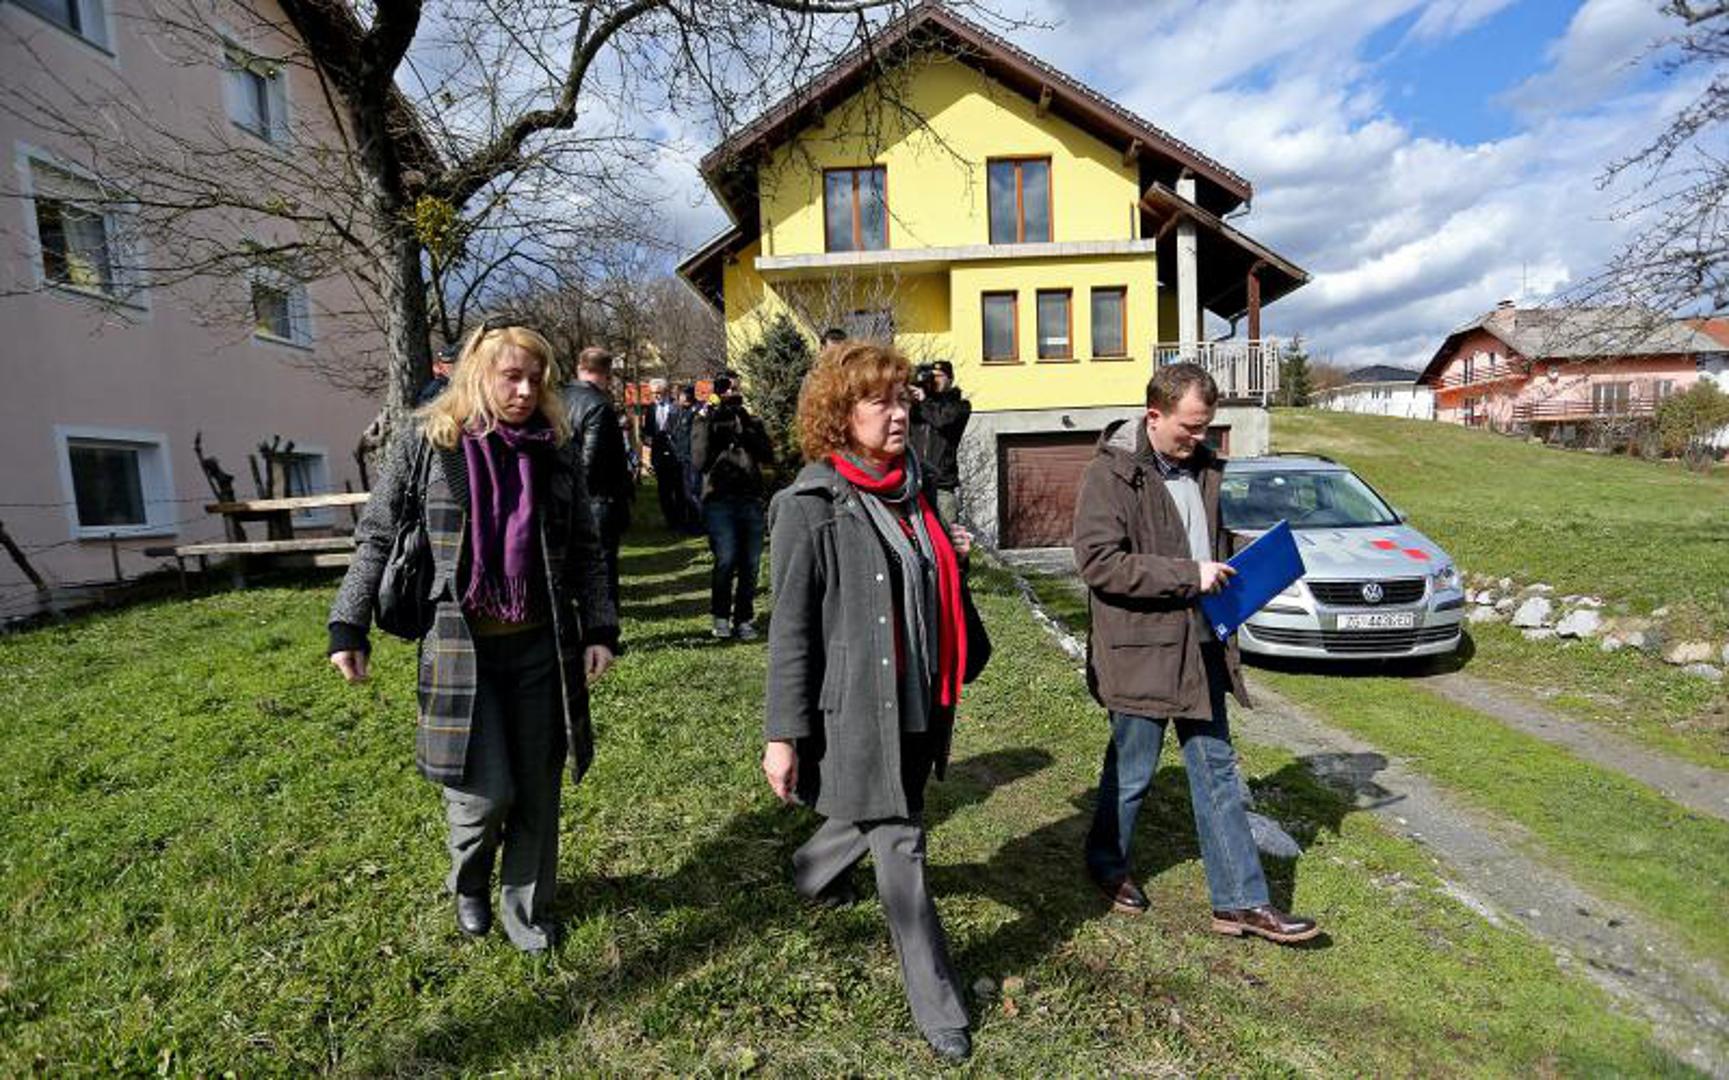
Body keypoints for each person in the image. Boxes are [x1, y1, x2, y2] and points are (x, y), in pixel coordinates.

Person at [327, 323, 618, 952]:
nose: (525, 391)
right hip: (461, 650)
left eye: (535, 380)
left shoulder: (554, 447)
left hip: (542, 647)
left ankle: (527, 912)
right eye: (511, 377)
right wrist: (348, 623)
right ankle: (470, 882)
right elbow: (376, 533)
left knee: (537, 793)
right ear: (476, 375)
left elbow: (586, 548)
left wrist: (600, 626)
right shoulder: (429, 441)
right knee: (483, 798)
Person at [763, 340, 984, 1062]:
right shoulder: (809, 506)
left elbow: (916, 578)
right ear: (839, 413)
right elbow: (790, 631)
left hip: (922, 692)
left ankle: (811, 870)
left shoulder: (913, 490)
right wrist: (783, 735)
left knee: (885, 805)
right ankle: (939, 1005)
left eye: (902, 400)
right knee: (901, 838)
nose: (898, 415)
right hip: (860, 707)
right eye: (879, 402)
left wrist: (947, 557)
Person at [1072, 362, 1319, 944]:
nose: (1199, 437)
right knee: (1132, 773)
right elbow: (1099, 563)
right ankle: (1106, 862)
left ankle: (1241, 903)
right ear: (1153, 416)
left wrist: (1250, 562)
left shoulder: (1206, 468)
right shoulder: (1110, 474)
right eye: (1189, 426)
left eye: (1206, 425)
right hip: (1139, 652)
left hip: (1203, 647)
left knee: (1217, 773)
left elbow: (1206, 543)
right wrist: (1189, 575)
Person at [691, 371, 773, 640]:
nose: (730, 393)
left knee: (750, 563)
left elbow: (767, 454)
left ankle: (744, 618)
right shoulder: (706, 419)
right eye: (725, 389)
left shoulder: (750, 420)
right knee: (726, 558)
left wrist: (746, 425)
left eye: (735, 389)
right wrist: (708, 420)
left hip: (750, 497)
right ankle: (720, 615)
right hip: (719, 499)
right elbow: (699, 461)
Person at [561, 346, 634, 615]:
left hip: (563, 493)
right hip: (596, 498)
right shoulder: (599, 406)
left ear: (579, 367)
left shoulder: (558, 397)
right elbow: (589, 462)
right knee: (600, 565)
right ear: (607, 373)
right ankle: (603, 621)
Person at [907, 360, 971, 522]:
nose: (935, 380)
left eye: (940, 376)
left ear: (950, 379)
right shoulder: (918, 406)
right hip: (915, 482)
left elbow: (941, 420)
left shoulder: (960, 406)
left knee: (947, 533)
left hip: (942, 486)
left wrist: (924, 401)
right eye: (932, 376)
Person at [641, 377, 688, 530]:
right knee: (663, 491)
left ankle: (682, 519)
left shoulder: (677, 407)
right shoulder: (651, 409)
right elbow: (648, 431)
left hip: (676, 453)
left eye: (658, 393)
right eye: (653, 393)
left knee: (679, 488)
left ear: (666, 391)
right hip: (659, 454)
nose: (655, 396)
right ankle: (671, 521)